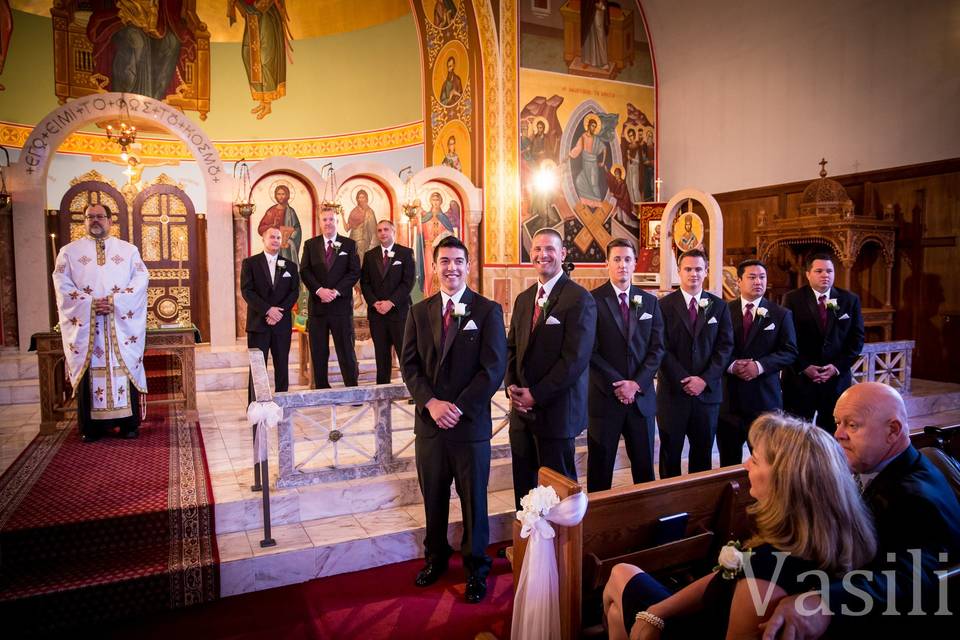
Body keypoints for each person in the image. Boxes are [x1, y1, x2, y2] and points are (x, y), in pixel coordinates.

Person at [603, 413, 877, 640]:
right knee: (621, 612)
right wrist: (657, 612)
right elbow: (724, 577)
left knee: (620, 574)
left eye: (755, 460)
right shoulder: (835, 532)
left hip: (708, 627)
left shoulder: (766, 570)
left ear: (784, 481)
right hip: (713, 609)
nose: (746, 464)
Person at [760, 382, 960, 639]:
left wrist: (826, 601)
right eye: (837, 422)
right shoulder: (895, 467)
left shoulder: (912, 497)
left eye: (852, 425)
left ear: (893, 430)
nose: (838, 434)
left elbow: (913, 577)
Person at [400, 236, 507, 604]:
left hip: (469, 424)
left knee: (474, 500)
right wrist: (430, 403)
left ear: (467, 264)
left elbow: (493, 369)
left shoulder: (488, 311)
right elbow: (409, 366)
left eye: (458, 261)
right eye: (444, 261)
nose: (452, 267)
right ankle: (436, 558)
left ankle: (477, 568)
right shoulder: (418, 312)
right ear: (434, 265)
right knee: (433, 497)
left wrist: (457, 407)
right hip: (430, 425)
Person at [506, 228, 597, 508]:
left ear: (562, 254)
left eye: (549, 249)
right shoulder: (523, 299)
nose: (542, 255)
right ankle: (529, 547)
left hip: (557, 412)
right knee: (524, 489)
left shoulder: (579, 299)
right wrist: (512, 387)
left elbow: (575, 360)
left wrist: (537, 393)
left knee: (558, 493)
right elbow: (512, 348)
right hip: (521, 415)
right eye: (536, 249)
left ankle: (561, 550)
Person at [52, 203, 148, 442]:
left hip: (120, 323)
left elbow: (141, 278)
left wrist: (116, 301)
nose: (95, 220)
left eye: (100, 216)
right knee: (90, 368)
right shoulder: (68, 252)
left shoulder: (128, 250)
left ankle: (128, 424)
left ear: (110, 220)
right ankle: (91, 427)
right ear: (83, 221)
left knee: (123, 364)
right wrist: (90, 304)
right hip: (87, 326)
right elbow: (62, 285)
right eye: (90, 217)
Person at [587, 238, 664, 491]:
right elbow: (590, 351)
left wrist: (637, 384)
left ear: (635, 265)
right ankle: (597, 527)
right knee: (600, 471)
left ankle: (646, 523)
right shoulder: (592, 301)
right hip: (605, 399)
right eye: (617, 259)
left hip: (641, 401)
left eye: (628, 259)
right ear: (606, 263)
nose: (622, 265)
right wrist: (618, 385)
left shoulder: (650, 302)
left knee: (644, 471)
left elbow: (657, 348)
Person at [656, 249, 733, 477]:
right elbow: (661, 348)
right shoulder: (663, 306)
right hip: (673, 395)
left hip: (707, 396)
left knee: (702, 456)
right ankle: (668, 502)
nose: (693, 274)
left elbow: (725, 347)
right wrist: (684, 380)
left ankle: (699, 506)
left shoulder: (719, 307)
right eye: (688, 269)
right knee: (670, 454)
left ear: (706, 271)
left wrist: (704, 380)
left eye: (699, 269)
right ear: (679, 271)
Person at [717, 259, 797, 466]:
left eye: (762, 277)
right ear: (739, 281)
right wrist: (733, 365)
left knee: (768, 461)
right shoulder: (724, 310)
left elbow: (789, 351)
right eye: (752, 277)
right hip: (729, 400)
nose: (758, 282)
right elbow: (716, 348)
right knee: (728, 462)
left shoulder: (780, 314)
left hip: (764, 400)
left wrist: (759, 366)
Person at [782, 252, 864, 433]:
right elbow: (787, 339)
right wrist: (804, 367)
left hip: (835, 382)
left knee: (831, 437)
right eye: (819, 271)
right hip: (800, 381)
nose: (825, 275)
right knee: (795, 437)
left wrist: (835, 367)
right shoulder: (793, 299)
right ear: (808, 274)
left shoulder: (849, 300)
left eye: (829, 271)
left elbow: (856, 340)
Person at [299, 207, 361, 389]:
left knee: (346, 350)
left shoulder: (349, 244)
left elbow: (354, 271)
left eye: (331, 219)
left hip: (340, 307)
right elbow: (305, 270)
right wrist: (319, 290)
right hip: (318, 308)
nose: (328, 223)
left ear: (337, 222)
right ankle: (322, 389)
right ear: (320, 222)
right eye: (324, 220)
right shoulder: (310, 245)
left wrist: (335, 291)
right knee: (318, 351)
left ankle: (352, 389)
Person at [241, 226, 300, 402]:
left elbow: (294, 292)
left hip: (281, 324)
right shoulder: (250, 263)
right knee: (257, 367)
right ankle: (255, 404)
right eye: (272, 237)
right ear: (264, 239)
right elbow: (247, 291)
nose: (275, 240)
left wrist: (279, 313)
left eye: (278, 237)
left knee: (282, 365)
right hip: (258, 324)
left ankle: (282, 403)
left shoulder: (289, 265)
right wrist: (268, 310)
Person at [360, 220, 415, 385]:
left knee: (404, 353)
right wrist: (374, 303)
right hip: (377, 314)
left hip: (399, 313)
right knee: (381, 355)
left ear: (393, 231)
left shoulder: (405, 253)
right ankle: (382, 389)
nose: (382, 233)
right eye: (379, 230)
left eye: (386, 230)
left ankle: (411, 388)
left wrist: (391, 302)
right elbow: (365, 283)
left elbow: (408, 282)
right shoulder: (370, 255)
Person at [257, 184, 302, 266]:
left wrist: (290, 239)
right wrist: (272, 225)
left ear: (287, 195)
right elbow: (261, 229)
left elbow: (297, 229)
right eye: (278, 194)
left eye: (283, 194)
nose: (281, 197)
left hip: (286, 248)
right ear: (275, 196)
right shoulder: (271, 211)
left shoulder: (291, 212)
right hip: (272, 247)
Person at [569, 115, 608, 203]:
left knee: (594, 183)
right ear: (588, 125)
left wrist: (603, 162)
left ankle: (598, 203)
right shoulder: (583, 136)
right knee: (579, 181)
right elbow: (578, 148)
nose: (593, 128)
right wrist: (569, 156)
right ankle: (588, 202)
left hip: (593, 163)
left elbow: (604, 148)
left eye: (595, 127)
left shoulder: (596, 138)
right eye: (592, 126)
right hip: (585, 162)